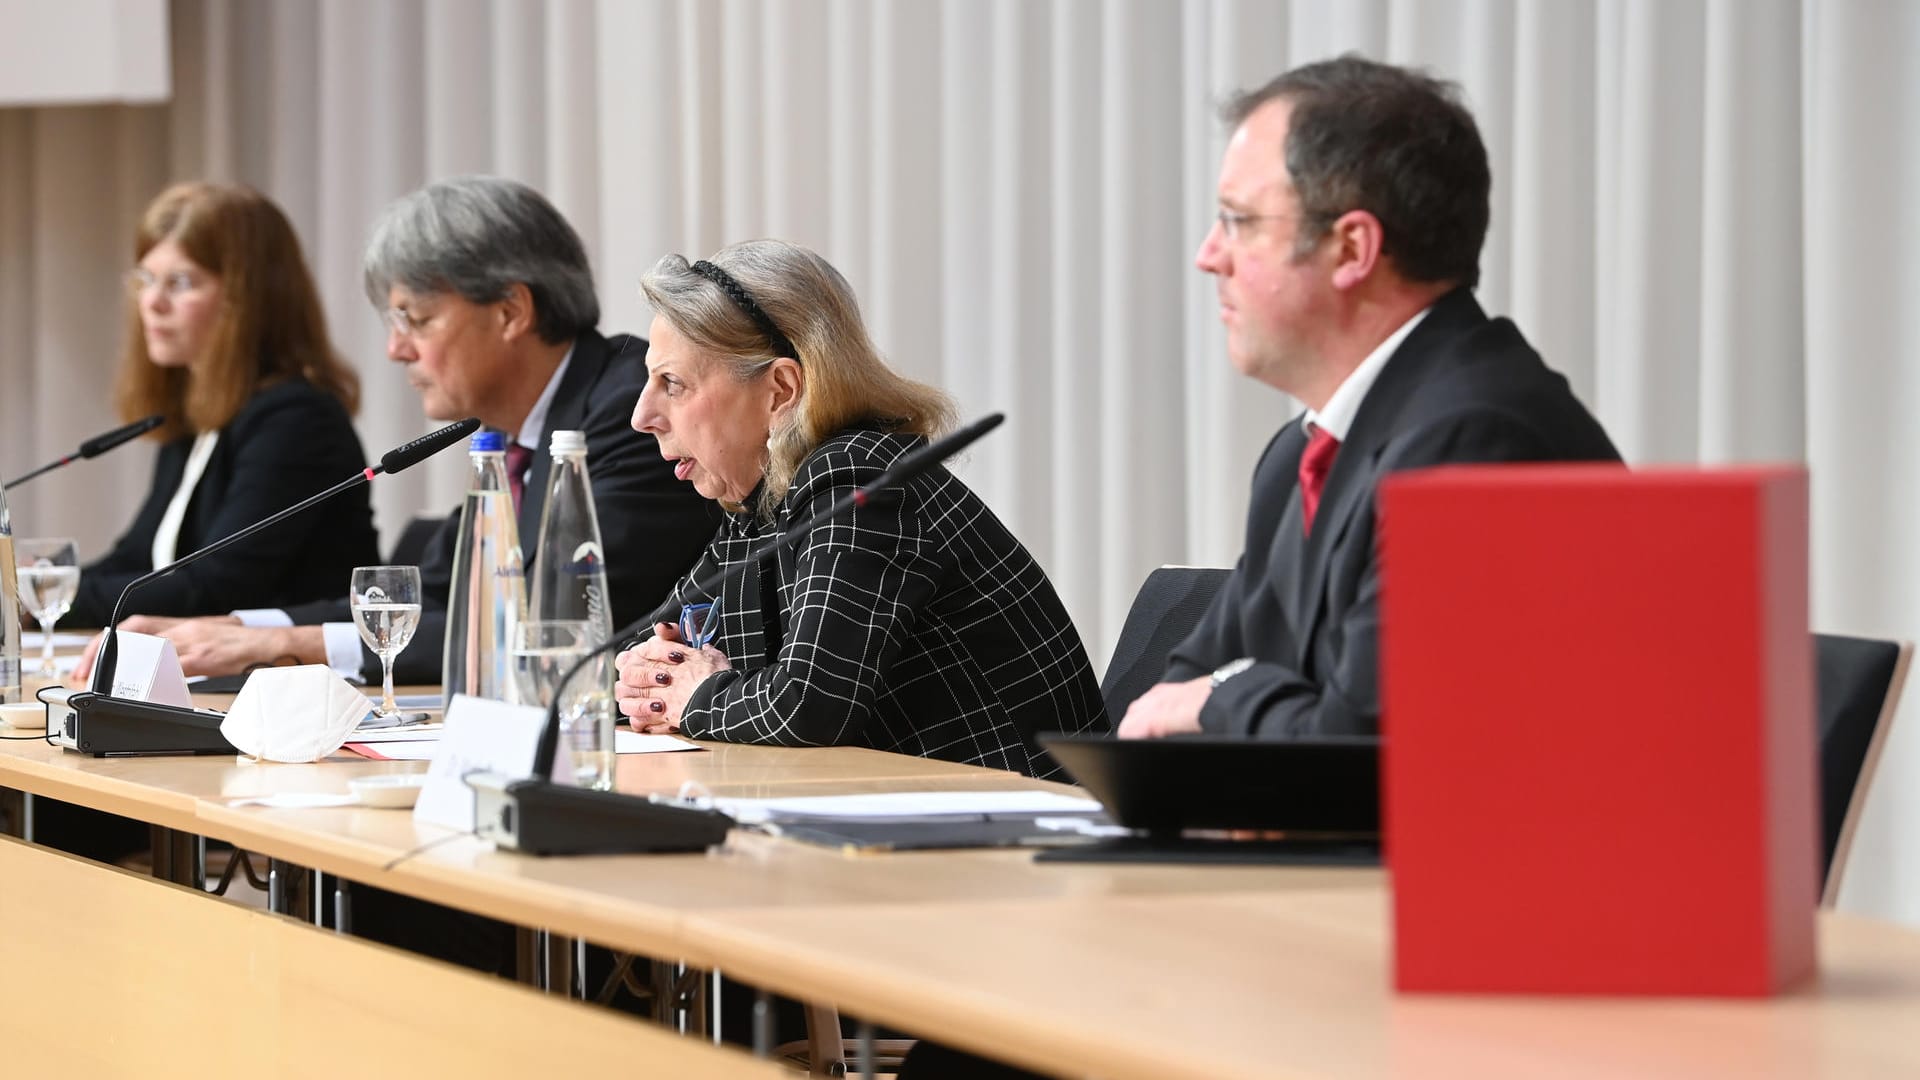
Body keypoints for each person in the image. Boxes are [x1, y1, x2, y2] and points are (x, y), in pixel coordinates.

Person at [1118, 55, 1622, 741]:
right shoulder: (1302, 453)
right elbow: (1184, 685)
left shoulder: (1475, 437)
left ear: (1352, 247)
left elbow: (1365, 745)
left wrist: (1222, 700)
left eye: (1239, 221)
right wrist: (1225, 698)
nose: (1210, 255)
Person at [74, 176, 720, 686]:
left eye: (416, 319)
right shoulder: (507, 435)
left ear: (510, 312)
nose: (394, 350)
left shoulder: (627, 412)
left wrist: (283, 643)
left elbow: (551, 626)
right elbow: (435, 594)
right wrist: (236, 626)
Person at [614, 239, 1108, 778]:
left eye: (673, 384)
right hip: (928, 825)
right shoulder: (763, 503)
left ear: (780, 389)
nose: (642, 415)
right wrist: (647, 677)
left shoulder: (861, 479)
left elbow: (808, 706)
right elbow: (647, 655)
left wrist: (699, 695)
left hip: (1030, 827)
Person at [66, 182, 379, 627]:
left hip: (295, 685)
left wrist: (26, 603)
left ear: (247, 298)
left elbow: (214, 587)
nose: (152, 303)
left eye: (180, 282)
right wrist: (25, 594)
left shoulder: (296, 420)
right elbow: (137, 558)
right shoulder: (203, 413)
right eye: (147, 279)